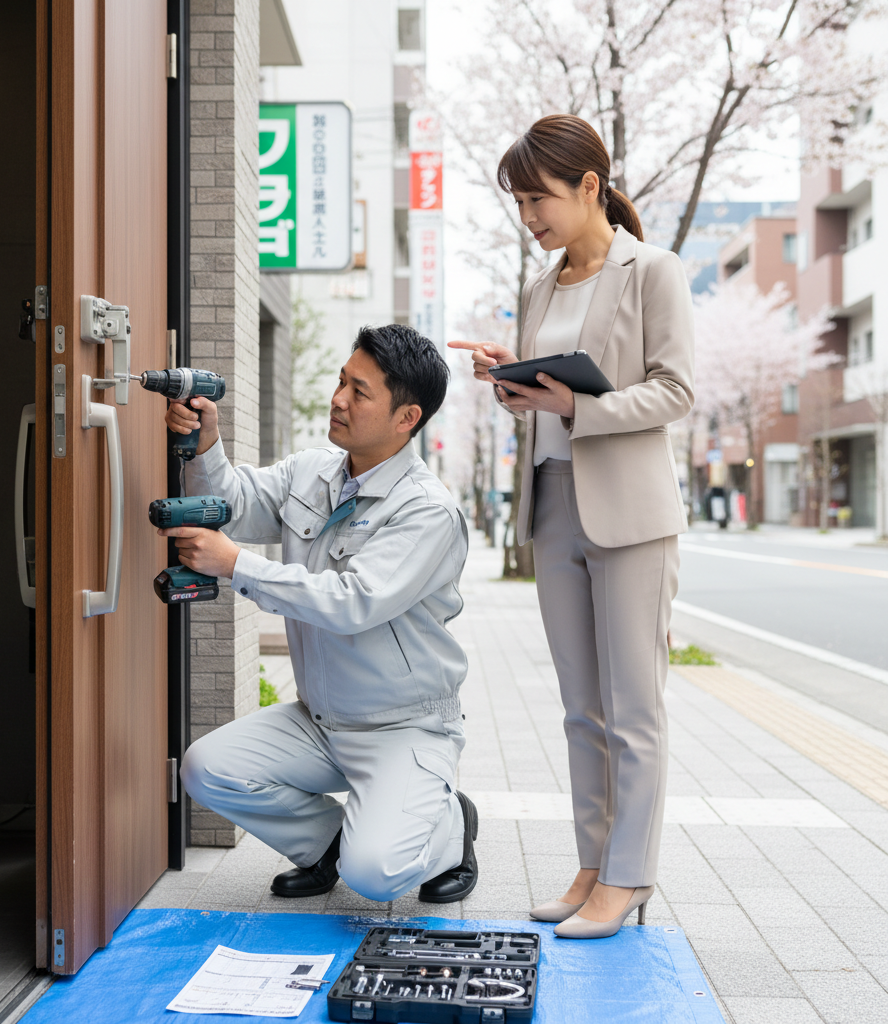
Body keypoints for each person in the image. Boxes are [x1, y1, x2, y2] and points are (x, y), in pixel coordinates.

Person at [451, 114, 693, 939]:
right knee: (580, 708)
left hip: (629, 514)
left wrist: (574, 405)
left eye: (537, 198)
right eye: (519, 202)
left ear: (590, 185)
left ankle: (629, 879)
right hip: (553, 504)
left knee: (634, 710)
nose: (528, 218)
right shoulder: (540, 287)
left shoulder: (652, 272)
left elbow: (675, 391)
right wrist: (509, 380)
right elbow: (548, 402)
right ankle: (593, 866)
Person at [163, 323, 478, 904]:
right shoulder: (310, 472)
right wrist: (206, 443)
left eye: (359, 392)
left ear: (407, 418)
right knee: (205, 768)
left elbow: (352, 601)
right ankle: (327, 845)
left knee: (377, 876)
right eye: (341, 382)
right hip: (320, 721)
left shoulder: (427, 512)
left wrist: (237, 567)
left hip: (402, 728)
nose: (338, 399)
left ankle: (450, 829)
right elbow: (231, 505)